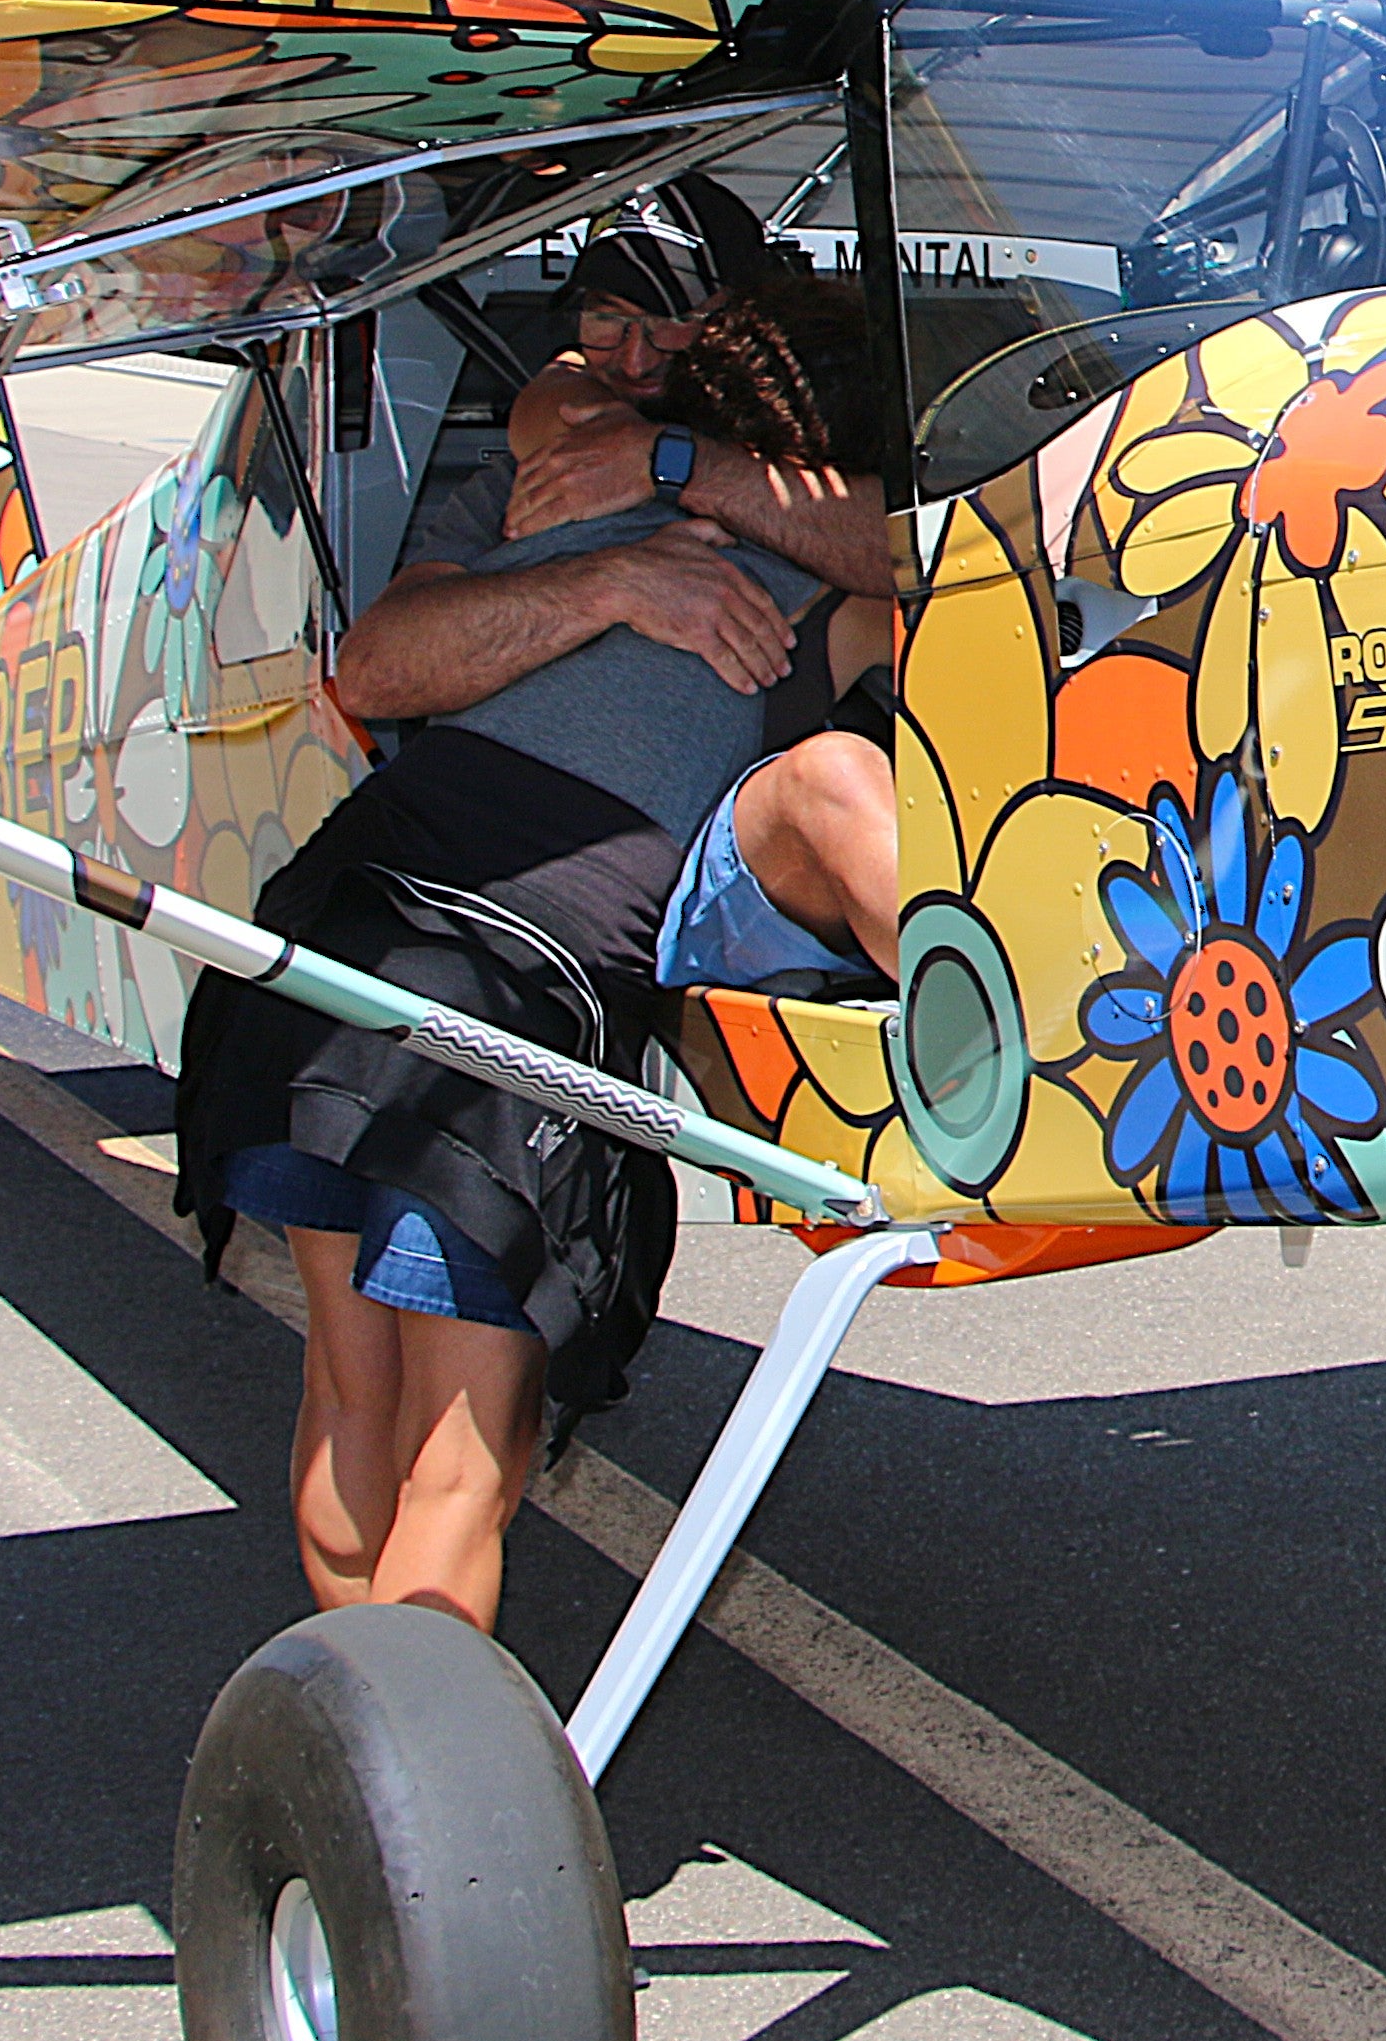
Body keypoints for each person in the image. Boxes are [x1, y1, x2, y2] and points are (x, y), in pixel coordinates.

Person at [179, 261, 889, 1638]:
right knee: (462, 1462)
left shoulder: (566, 490)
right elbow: (955, 561)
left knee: (351, 1392)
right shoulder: (654, 533)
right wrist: (621, 577)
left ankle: (348, 1744)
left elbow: (891, 544)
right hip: (502, 998)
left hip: (335, 939)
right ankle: (405, 1797)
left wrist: (648, 487)